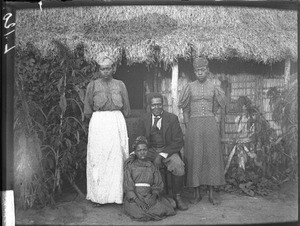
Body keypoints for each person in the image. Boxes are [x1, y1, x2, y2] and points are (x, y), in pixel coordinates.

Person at [178, 56, 226, 205]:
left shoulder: (214, 86)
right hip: (194, 125)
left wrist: (214, 119)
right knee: (195, 157)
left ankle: (211, 194)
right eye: (197, 70)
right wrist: (188, 125)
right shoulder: (189, 87)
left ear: (207, 70)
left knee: (211, 157)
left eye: (203, 70)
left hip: (210, 124)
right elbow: (185, 109)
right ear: (195, 72)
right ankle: (196, 193)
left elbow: (218, 106)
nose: (200, 73)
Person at [84, 56, 131, 206]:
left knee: (117, 157)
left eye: (108, 68)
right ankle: (99, 197)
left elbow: (127, 108)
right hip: (99, 123)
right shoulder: (93, 85)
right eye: (103, 69)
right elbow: (87, 109)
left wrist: (115, 118)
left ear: (113, 69)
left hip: (116, 122)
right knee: (99, 158)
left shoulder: (120, 85)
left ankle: (117, 196)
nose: (106, 71)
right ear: (99, 70)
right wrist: (100, 119)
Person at [131, 93, 188, 211]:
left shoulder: (172, 119)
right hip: (149, 150)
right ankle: (147, 196)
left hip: (168, 150)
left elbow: (178, 141)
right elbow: (139, 138)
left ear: (163, 105)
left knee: (179, 166)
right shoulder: (144, 119)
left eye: (159, 104)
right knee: (134, 164)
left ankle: (177, 196)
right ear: (149, 106)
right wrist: (137, 151)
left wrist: (162, 155)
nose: (156, 107)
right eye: (153, 105)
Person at [123, 136, 176, 221]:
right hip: (135, 196)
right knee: (137, 210)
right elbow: (128, 185)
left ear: (148, 151)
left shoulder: (152, 165)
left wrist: (154, 196)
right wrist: (137, 200)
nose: (142, 152)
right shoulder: (130, 166)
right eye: (139, 150)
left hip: (149, 194)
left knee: (159, 208)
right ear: (135, 152)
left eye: (144, 150)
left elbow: (157, 183)